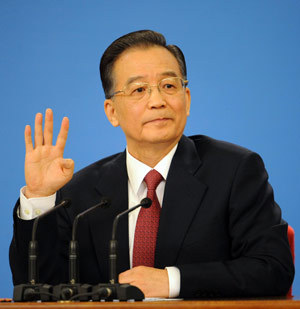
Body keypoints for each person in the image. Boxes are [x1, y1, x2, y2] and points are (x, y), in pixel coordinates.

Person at [10, 30, 294, 299]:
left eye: (169, 86)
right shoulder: (81, 193)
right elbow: (36, 289)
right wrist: (40, 198)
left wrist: (170, 281)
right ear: (111, 112)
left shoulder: (235, 171)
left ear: (187, 98)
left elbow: (273, 269)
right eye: (139, 90)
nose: (157, 101)